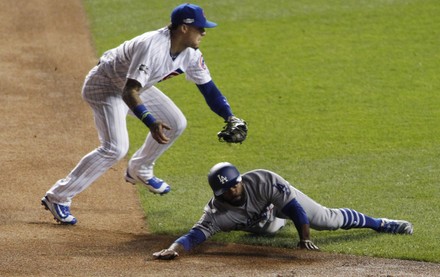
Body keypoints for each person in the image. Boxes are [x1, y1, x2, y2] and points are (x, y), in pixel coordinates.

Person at [41, 4, 247, 225]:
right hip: (105, 86)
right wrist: (150, 121)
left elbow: (209, 89)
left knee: (176, 122)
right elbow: (129, 92)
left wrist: (230, 117)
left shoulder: (190, 54)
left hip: (135, 88)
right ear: (184, 29)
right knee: (115, 148)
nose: (204, 32)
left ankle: (139, 168)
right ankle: (58, 196)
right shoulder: (153, 47)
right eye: (199, 28)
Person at [153, 162, 413, 259]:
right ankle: (270, 219)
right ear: (218, 194)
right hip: (260, 215)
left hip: (279, 200)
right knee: (268, 228)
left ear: (240, 180)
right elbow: (195, 235)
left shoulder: (264, 181)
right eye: (226, 191)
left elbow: (295, 208)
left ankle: (380, 223)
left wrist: (305, 238)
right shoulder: (216, 212)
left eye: (234, 186)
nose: (232, 191)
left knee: (325, 219)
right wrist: (174, 248)